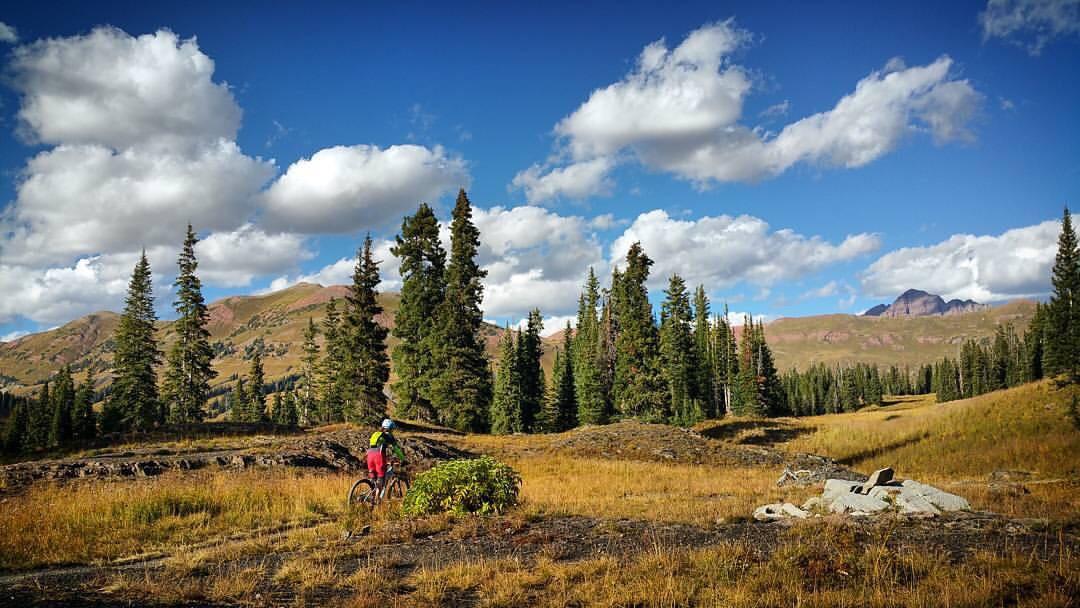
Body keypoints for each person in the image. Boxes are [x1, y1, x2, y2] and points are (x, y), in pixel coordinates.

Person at [367, 418, 406, 490]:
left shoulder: (375, 434)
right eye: (392, 429)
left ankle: (371, 497)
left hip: (369, 455)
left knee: (373, 479)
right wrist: (403, 459)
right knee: (381, 480)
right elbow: (396, 449)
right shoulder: (389, 436)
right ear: (390, 428)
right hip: (379, 456)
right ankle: (377, 500)